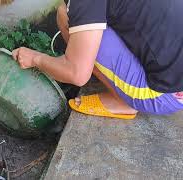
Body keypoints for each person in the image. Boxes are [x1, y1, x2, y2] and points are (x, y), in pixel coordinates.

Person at [12, 0, 183, 120]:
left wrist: (35, 58)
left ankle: (122, 101)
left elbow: (77, 74)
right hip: (174, 68)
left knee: (66, 16)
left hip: (165, 95)